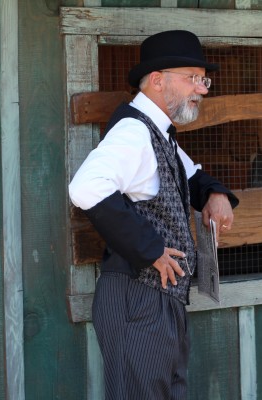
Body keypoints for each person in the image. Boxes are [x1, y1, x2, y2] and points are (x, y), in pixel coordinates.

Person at [69, 30, 239, 400]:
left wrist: (216, 194)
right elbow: (85, 187)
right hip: (138, 299)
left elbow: (191, 175)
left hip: (156, 301)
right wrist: (151, 249)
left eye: (203, 79)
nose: (203, 89)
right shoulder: (134, 131)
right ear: (158, 81)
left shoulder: (159, 132)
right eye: (192, 78)